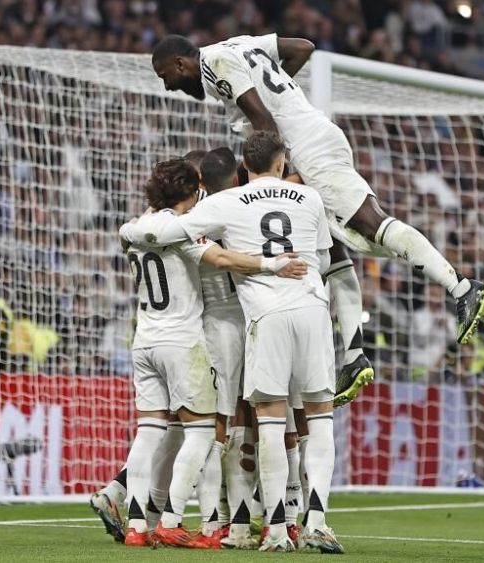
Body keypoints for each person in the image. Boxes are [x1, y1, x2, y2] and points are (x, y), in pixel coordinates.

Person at [151, 33, 484, 407]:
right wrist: (285, 100)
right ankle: (352, 355)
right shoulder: (237, 45)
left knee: (369, 223)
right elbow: (302, 48)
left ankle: (462, 288)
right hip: (307, 142)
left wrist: (270, 184)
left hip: (308, 148)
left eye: (165, 75)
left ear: (181, 64)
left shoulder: (215, 66)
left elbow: (264, 121)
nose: (168, 85)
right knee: (336, 250)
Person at [120, 131, 345, 553]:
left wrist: (129, 228)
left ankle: (257, 526)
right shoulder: (311, 198)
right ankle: (310, 520)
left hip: (248, 320)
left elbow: (171, 232)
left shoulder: (221, 205)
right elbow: (323, 257)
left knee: (249, 425)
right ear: (280, 162)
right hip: (311, 307)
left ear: (246, 164)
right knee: (314, 421)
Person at [95, 158, 306, 548]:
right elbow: (224, 259)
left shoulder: (132, 230)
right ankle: (180, 519)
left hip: (144, 341)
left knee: (149, 433)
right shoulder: (183, 234)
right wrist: (273, 264)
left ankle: (138, 526)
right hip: (183, 342)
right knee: (204, 431)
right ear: (192, 192)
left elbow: (138, 228)